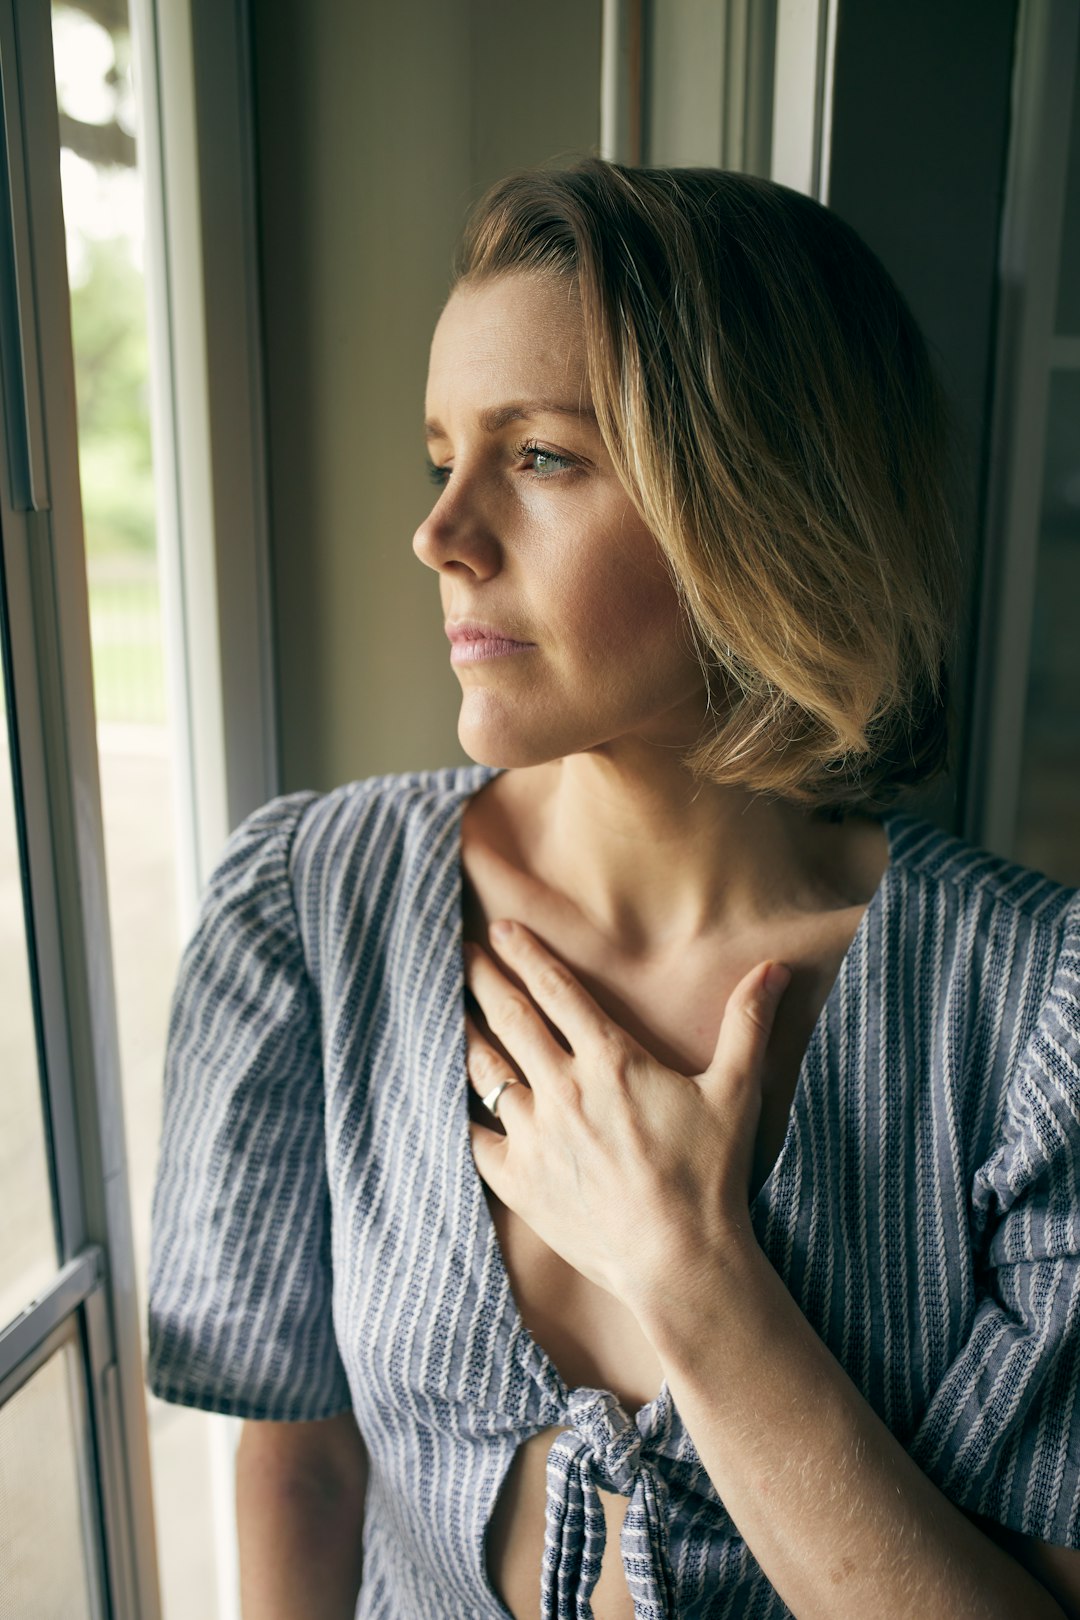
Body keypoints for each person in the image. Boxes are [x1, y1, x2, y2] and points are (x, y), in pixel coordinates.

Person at [146, 159, 1080, 1619]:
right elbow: (308, 1472)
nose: (440, 533)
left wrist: (695, 1278)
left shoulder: (1039, 1022)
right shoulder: (304, 913)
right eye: (441, 454)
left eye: (540, 459)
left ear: (765, 507)